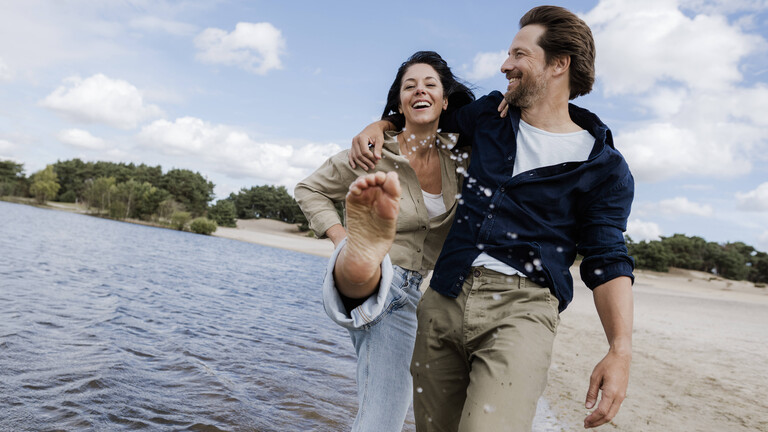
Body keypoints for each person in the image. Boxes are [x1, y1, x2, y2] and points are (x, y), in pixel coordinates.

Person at [350, 6, 634, 431]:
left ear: (559, 64)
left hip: (524, 309)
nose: (505, 65)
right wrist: (381, 122)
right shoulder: (488, 117)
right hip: (443, 299)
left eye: (519, 55)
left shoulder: (604, 167)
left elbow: (606, 256)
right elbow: (429, 113)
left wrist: (619, 349)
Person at [294, 51, 475, 432]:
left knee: (381, 414)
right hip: (383, 284)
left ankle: (360, 260)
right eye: (410, 86)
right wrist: (340, 237)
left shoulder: (458, 156)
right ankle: (360, 257)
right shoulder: (372, 152)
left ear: (445, 101)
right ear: (399, 101)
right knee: (384, 419)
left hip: (423, 295)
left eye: (430, 85)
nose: (419, 91)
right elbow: (308, 189)